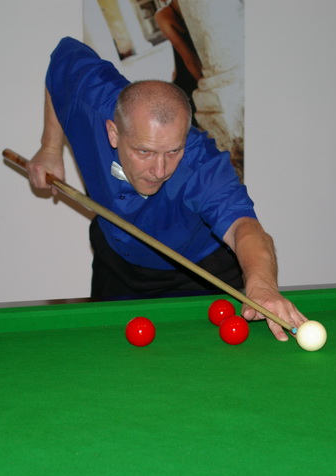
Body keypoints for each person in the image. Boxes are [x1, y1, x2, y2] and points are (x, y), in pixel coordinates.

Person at [27, 37, 307, 341]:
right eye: (144, 152)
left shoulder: (203, 166)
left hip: (199, 272)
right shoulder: (93, 96)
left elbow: (245, 227)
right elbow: (63, 57)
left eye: (173, 151)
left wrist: (263, 285)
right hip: (117, 262)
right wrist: (50, 147)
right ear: (113, 133)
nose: (160, 170)